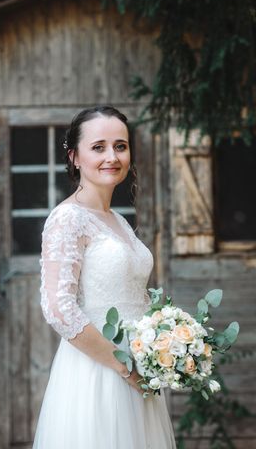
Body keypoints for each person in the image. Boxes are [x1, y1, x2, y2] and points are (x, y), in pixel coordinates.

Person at [32, 106, 176, 448]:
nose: (112, 156)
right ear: (75, 156)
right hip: (98, 372)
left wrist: (164, 341)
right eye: (98, 147)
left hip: (138, 372)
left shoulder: (119, 221)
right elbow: (59, 308)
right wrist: (125, 368)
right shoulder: (67, 218)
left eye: (120, 146)